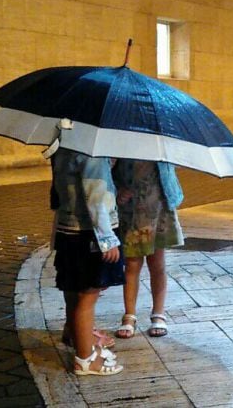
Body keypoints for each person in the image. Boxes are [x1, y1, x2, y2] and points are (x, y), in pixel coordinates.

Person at [51, 148, 125, 375]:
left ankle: (80, 340)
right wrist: (107, 239)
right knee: (88, 295)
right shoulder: (93, 153)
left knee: (74, 291)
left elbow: (56, 194)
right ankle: (86, 359)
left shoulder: (62, 149)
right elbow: (96, 199)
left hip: (68, 231)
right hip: (88, 234)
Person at [113, 160, 184, 339]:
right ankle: (129, 315)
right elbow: (110, 168)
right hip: (132, 208)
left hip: (159, 204)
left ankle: (158, 312)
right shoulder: (122, 140)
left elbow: (174, 165)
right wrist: (118, 189)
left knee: (157, 263)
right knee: (132, 264)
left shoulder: (161, 140)